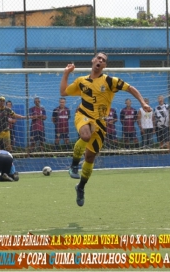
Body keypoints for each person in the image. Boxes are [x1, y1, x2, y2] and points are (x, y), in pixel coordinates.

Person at [60, 52, 151, 207]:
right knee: (86, 135)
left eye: (104, 60)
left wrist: (142, 103)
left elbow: (130, 88)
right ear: (93, 61)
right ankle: (74, 164)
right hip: (83, 115)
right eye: (98, 58)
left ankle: (80, 187)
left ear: (104, 66)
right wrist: (66, 73)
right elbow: (63, 92)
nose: (100, 61)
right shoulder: (81, 81)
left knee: (90, 158)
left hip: (101, 124)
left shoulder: (110, 81)